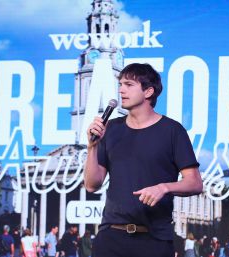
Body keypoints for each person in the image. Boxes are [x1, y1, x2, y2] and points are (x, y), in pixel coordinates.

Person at [85, 63, 203, 257]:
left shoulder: (172, 131)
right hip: (111, 238)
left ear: (148, 91)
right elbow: (91, 185)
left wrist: (164, 188)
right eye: (120, 84)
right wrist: (92, 147)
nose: (121, 89)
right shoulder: (111, 129)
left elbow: (195, 183)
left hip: (154, 240)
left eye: (129, 84)